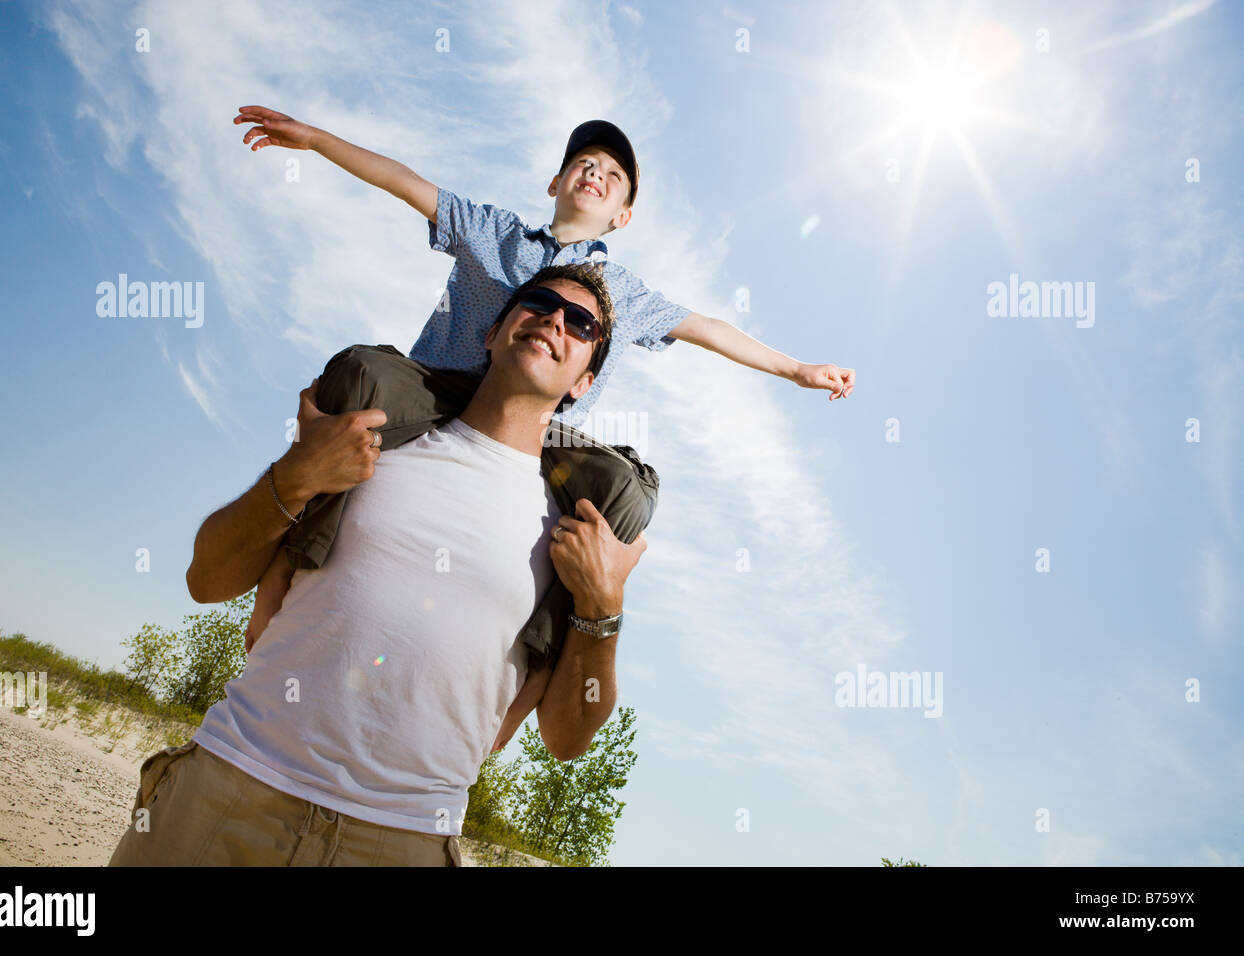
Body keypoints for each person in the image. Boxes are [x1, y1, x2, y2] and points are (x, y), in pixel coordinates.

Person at [231, 108, 857, 687]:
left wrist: (796, 369)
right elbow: (404, 181)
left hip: (533, 430)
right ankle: (288, 566)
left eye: (613, 175)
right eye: (585, 164)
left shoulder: (623, 292)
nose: (596, 174)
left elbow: (708, 330)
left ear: (622, 215)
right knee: (361, 373)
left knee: (624, 494)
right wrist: (313, 140)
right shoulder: (494, 233)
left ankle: (530, 676)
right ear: (556, 181)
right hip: (436, 391)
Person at [110, 266, 645, 867]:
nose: (553, 320)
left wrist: (604, 605)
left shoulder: (577, 527)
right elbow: (205, 580)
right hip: (233, 784)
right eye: (540, 303)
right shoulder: (370, 437)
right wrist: (297, 475)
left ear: (584, 381)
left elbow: (567, 738)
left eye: (580, 324)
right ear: (492, 334)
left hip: (403, 837)